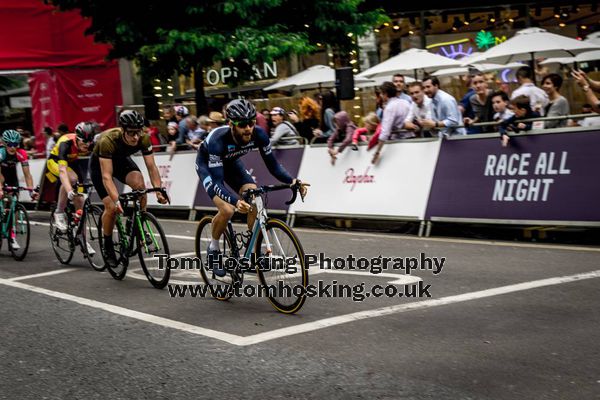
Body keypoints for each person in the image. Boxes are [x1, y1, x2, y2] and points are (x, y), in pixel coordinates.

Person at [195, 99, 308, 277]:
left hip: (232, 164)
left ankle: (251, 252)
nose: (248, 128)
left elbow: (274, 166)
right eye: (242, 124)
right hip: (208, 167)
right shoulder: (218, 140)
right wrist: (235, 201)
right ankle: (213, 249)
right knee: (227, 210)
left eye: (251, 123)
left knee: (256, 198)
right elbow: (217, 181)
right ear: (231, 124)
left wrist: (293, 181)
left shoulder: (259, 134)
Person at [89, 110, 168, 268]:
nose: (136, 137)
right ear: (123, 130)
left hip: (122, 161)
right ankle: (108, 245)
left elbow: (151, 167)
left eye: (138, 132)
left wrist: (158, 190)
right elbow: (106, 176)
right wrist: (116, 199)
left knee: (140, 187)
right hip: (101, 166)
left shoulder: (144, 138)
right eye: (131, 133)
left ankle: (136, 223)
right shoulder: (108, 140)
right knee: (111, 207)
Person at [47, 122, 95, 235]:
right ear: (77, 138)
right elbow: (63, 171)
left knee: (81, 201)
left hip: (72, 162)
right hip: (55, 162)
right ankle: (59, 212)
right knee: (72, 179)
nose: (87, 144)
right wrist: (69, 191)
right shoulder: (66, 143)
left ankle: (82, 237)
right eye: (84, 141)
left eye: (89, 141)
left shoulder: (90, 144)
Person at [0, 130, 38, 249]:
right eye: (10, 145)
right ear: (5, 144)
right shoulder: (1, 153)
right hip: (1, 175)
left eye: (15, 144)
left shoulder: (21, 153)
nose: (13, 147)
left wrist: (31, 190)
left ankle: (12, 236)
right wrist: (0, 188)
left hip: (12, 176)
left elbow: (27, 175)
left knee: (14, 203)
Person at [371, 81, 411, 164]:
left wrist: (377, 151)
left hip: (398, 142)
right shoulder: (405, 102)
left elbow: (385, 132)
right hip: (411, 137)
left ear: (385, 94)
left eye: (381, 94)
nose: (381, 96)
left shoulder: (389, 108)